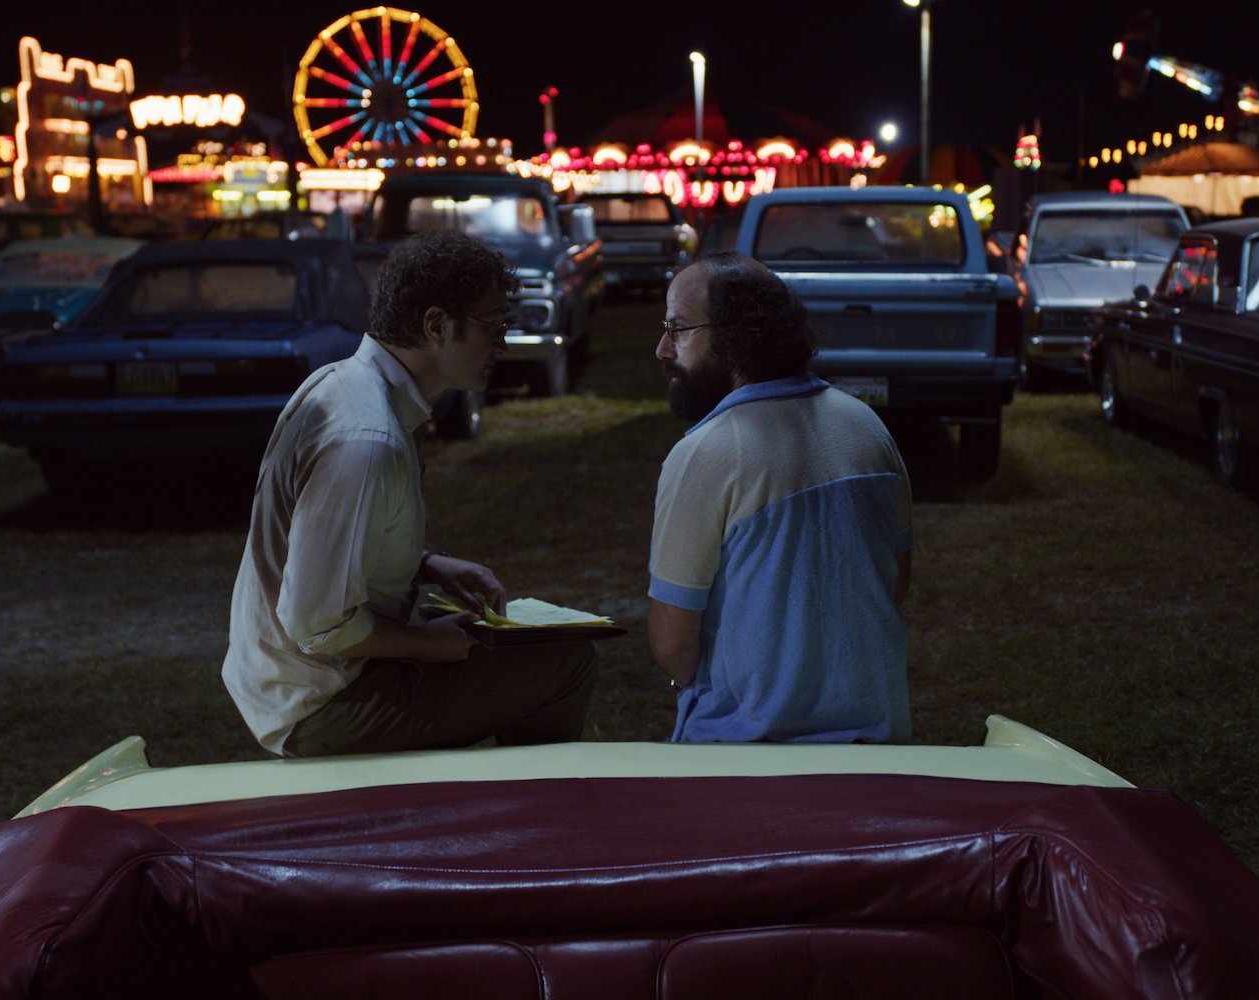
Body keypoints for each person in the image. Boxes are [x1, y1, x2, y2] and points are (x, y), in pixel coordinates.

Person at [223, 230, 597, 757]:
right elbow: (315, 623)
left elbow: (318, 544)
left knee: (521, 652)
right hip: (320, 701)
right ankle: (529, 814)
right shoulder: (366, 439)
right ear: (437, 326)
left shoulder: (339, 385)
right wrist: (429, 646)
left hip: (293, 680)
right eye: (493, 324)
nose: (502, 343)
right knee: (565, 663)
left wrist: (426, 565)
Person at [647, 253, 914, 743]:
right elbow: (895, 581)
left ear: (734, 337)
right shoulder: (867, 428)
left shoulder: (703, 455)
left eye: (679, 328)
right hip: (877, 743)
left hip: (748, 755)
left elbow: (672, 641)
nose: (664, 348)